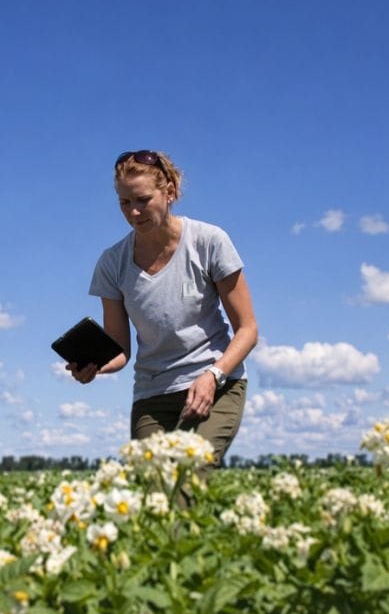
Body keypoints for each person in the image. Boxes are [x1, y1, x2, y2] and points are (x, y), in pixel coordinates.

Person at [67, 150, 258, 462]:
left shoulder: (209, 241)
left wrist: (213, 375)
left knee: (187, 478)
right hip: (152, 395)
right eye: (125, 203)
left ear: (169, 192)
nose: (134, 212)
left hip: (216, 384)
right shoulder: (112, 263)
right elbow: (120, 350)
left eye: (142, 200)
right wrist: (97, 365)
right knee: (150, 492)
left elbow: (248, 329)